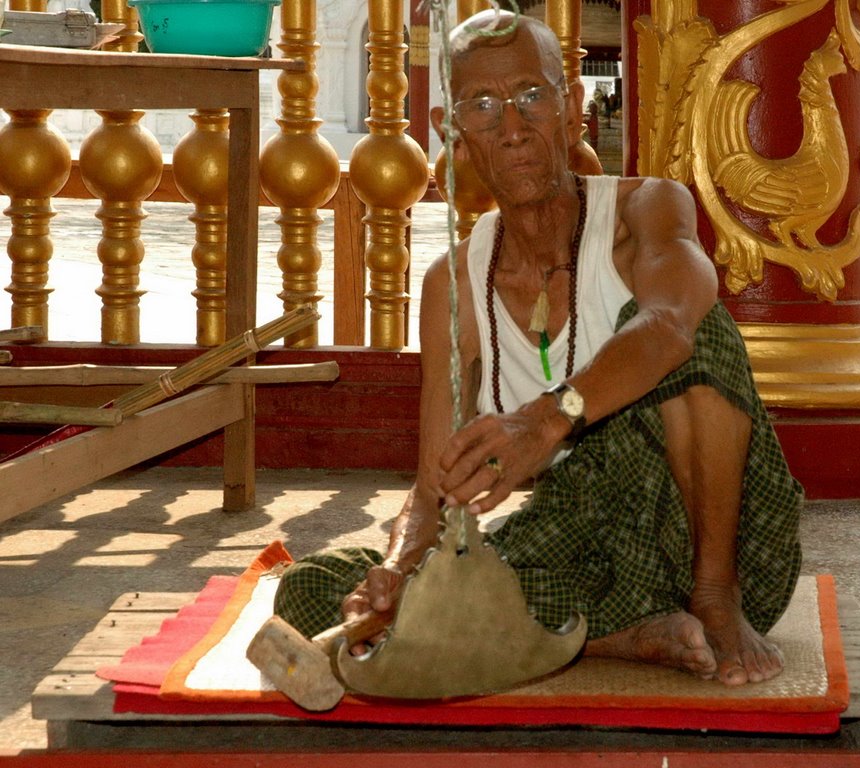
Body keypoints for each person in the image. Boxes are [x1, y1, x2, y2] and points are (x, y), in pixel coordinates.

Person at [274, 10, 802, 687]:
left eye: (532, 96)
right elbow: (436, 485)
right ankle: (617, 637)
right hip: (585, 545)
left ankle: (712, 599)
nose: (513, 128)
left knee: (695, 332)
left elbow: (674, 319)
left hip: (724, 539)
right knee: (315, 587)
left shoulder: (647, 210)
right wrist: (400, 567)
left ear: (572, 107)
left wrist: (546, 418)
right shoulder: (453, 285)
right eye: (484, 106)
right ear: (453, 132)